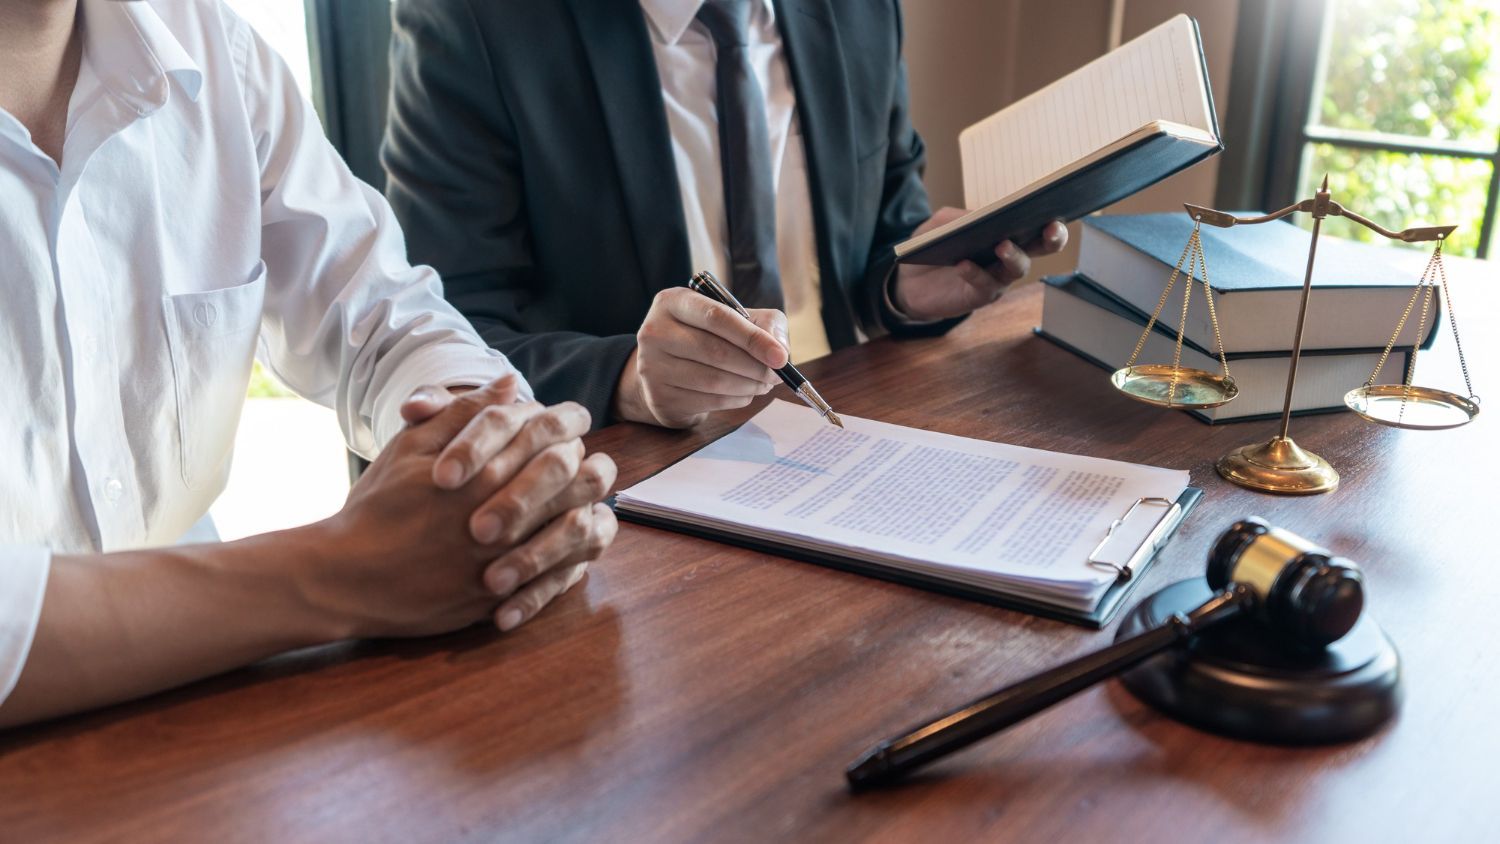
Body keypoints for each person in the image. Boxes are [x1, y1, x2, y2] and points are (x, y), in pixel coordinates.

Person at [0, 0, 618, 728]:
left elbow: (383, 313)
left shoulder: (211, 47)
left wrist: (489, 457)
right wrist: (346, 567)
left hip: (199, 717)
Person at [383, 0, 1068, 431]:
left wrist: (904, 290)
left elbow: (884, 230)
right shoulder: (470, 20)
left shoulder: (862, 12)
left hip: (848, 426)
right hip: (625, 476)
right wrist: (625, 379)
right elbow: (445, 323)